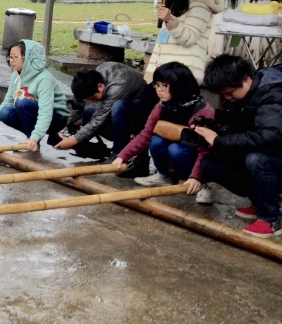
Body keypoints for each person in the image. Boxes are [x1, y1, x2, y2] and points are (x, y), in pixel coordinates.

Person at [196, 55, 282, 238]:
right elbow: (240, 130)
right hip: (271, 152)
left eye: (230, 93)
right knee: (211, 163)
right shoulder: (240, 94)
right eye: (223, 95)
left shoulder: (273, 93)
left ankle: (272, 218)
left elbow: (269, 137)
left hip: (274, 150)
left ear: (247, 79)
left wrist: (219, 141)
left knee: (256, 159)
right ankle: (261, 202)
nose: (227, 98)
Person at [111, 62, 215, 204]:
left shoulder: (201, 111)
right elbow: (145, 135)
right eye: (157, 85)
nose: (159, 90)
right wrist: (123, 156)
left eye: (164, 86)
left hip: (192, 156)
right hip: (174, 154)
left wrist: (197, 177)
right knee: (155, 141)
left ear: (179, 86)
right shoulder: (161, 106)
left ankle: (203, 185)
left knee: (176, 149)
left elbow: (205, 151)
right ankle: (163, 176)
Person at [56, 62, 159, 166]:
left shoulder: (118, 87)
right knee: (87, 113)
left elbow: (99, 118)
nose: (93, 101)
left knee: (117, 107)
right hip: (122, 109)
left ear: (100, 86)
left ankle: (117, 152)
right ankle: (96, 148)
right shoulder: (98, 73)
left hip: (140, 115)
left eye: (93, 98)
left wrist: (73, 140)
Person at [0, 40, 69, 151]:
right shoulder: (15, 75)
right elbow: (7, 102)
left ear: (28, 58)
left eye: (15, 57)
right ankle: (34, 141)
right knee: (5, 113)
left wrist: (34, 137)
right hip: (35, 112)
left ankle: (33, 140)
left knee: (22, 102)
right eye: (10, 57)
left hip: (56, 118)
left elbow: (46, 111)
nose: (11, 61)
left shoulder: (44, 79)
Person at [145, 0, 224, 84]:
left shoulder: (201, 2)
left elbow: (189, 38)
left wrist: (169, 20)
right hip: (161, 72)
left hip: (180, 76)